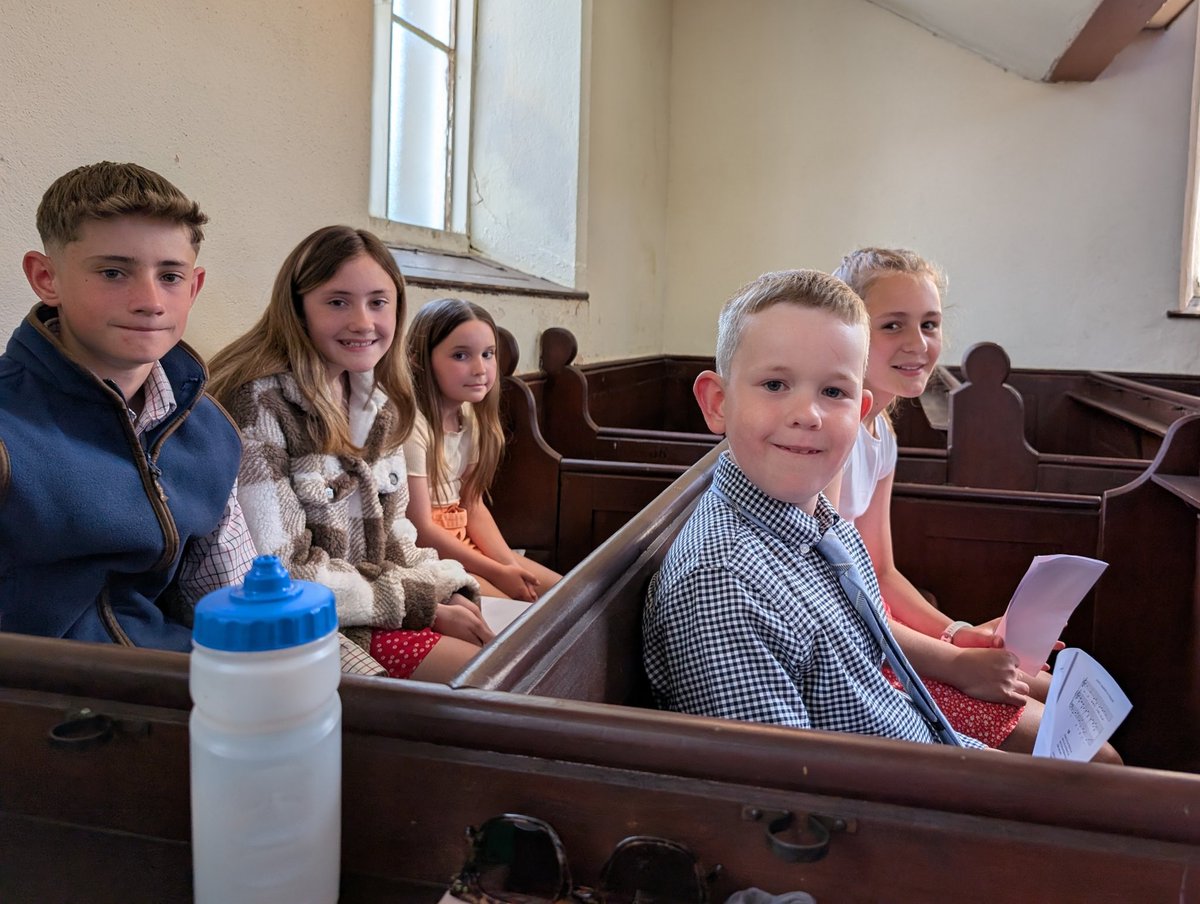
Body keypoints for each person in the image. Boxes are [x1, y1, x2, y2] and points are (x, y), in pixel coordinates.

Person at [642, 269, 982, 746]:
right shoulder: (724, 583)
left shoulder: (827, 526)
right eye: (776, 385)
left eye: (833, 392)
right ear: (718, 403)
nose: (808, 415)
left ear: (861, 411)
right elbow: (788, 799)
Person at [828, 247, 1120, 763]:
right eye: (893, 325)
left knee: (1059, 695)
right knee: (1097, 758)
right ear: (848, 330)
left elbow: (880, 572)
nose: (919, 344)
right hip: (862, 659)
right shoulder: (829, 440)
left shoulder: (882, 433)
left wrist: (960, 636)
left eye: (931, 324)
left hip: (884, 635)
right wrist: (953, 662)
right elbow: (840, 602)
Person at [208, 226, 493, 681]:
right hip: (303, 628)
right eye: (338, 302)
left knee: (511, 647)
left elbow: (397, 537)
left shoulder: (378, 399)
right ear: (299, 309)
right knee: (487, 681)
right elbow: (280, 576)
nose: (363, 322)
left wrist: (448, 590)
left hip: (369, 604)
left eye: (378, 302)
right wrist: (421, 606)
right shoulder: (259, 403)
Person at [0, 161, 255, 648]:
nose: (150, 301)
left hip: (170, 682)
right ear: (45, 277)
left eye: (171, 276)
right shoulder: (8, 428)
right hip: (38, 701)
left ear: (194, 287)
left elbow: (230, 595)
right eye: (114, 272)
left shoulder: (208, 429)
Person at [404, 298, 561, 601]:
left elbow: (473, 507)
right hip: (429, 557)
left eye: (488, 354)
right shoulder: (413, 428)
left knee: (566, 595)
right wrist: (495, 573)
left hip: (462, 543)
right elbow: (421, 530)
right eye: (461, 355)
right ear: (418, 359)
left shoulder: (469, 418)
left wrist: (509, 565)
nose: (480, 369)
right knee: (521, 620)